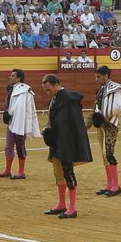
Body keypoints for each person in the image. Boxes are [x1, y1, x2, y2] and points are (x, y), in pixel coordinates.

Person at [41, 74, 92, 219]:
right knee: (58, 173)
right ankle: (62, 204)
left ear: (56, 84)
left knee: (68, 173)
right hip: (57, 141)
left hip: (67, 142)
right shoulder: (55, 99)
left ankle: (73, 208)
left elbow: (75, 124)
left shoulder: (69, 99)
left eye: (48, 88)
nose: (47, 92)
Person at [0, 69, 40, 179]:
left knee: (20, 147)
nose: (10, 77)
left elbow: (25, 108)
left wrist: (18, 118)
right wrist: (7, 113)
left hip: (20, 122)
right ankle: (7, 170)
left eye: (13, 76)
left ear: (19, 78)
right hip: (11, 122)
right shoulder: (12, 89)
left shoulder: (25, 90)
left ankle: (21, 171)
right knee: (9, 147)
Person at [92, 66, 121, 196]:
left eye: (98, 77)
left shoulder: (115, 89)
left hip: (111, 124)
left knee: (109, 153)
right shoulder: (102, 89)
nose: (96, 79)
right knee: (104, 154)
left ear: (106, 76)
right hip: (101, 124)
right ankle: (109, 184)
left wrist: (105, 115)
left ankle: (116, 186)